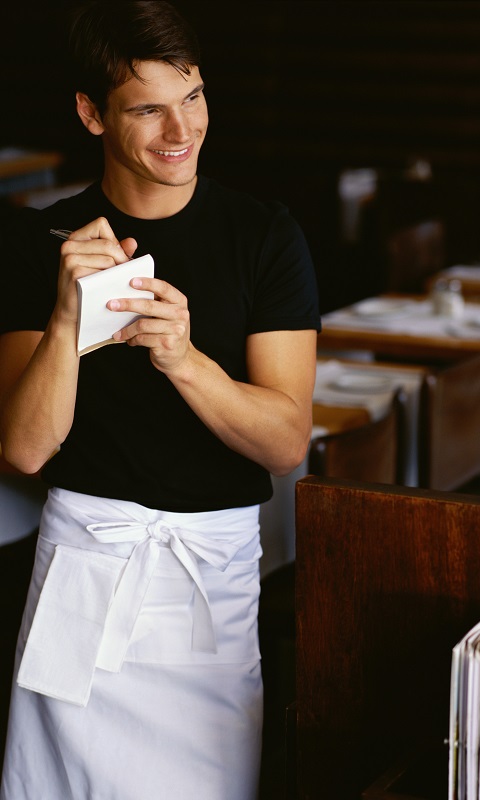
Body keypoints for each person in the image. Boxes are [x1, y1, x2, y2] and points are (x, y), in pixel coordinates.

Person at [0, 1, 320, 797]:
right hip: (83, 564)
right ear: (92, 114)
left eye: (194, 97)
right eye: (148, 109)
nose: (181, 129)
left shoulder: (264, 236)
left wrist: (183, 359)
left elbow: (286, 444)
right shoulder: (43, 243)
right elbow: (25, 448)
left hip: (209, 576)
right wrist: (68, 317)